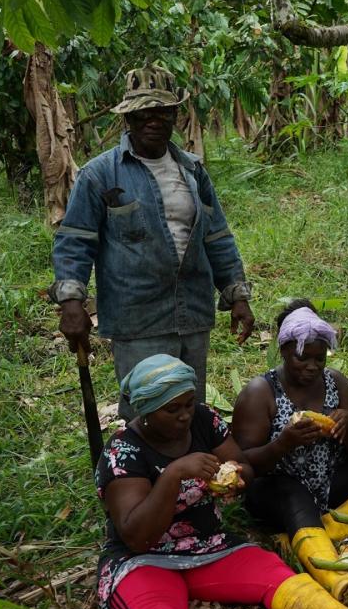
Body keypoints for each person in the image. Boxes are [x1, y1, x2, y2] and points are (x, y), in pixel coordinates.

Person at [94, 354, 348, 609]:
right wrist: (174, 475)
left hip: (210, 545)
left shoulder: (203, 420)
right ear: (146, 410)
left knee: (277, 576)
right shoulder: (123, 452)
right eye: (171, 409)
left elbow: (244, 465)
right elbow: (137, 536)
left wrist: (233, 476)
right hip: (143, 560)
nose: (184, 415)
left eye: (189, 404)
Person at [50, 65, 254, 420]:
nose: (153, 120)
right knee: (146, 414)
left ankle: (191, 476)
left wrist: (237, 295)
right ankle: (141, 475)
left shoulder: (192, 170)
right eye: (143, 112)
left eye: (163, 111)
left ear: (175, 115)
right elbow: (76, 239)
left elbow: (217, 235)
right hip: (138, 316)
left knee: (189, 411)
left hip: (192, 312)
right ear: (128, 117)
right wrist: (71, 301)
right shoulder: (100, 174)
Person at [232, 300, 348, 605]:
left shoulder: (336, 382)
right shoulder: (260, 392)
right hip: (278, 487)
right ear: (284, 351)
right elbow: (241, 463)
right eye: (303, 358)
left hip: (328, 479)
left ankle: (308, 539)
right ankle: (335, 576)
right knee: (295, 496)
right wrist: (282, 444)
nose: (312, 367)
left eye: (320, 359)